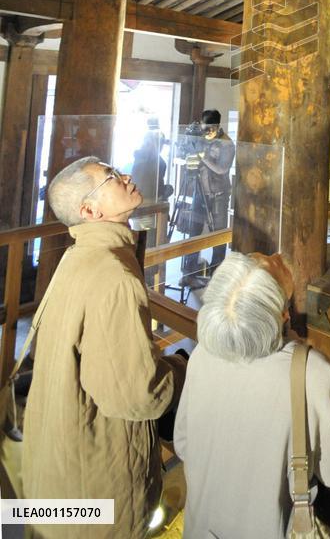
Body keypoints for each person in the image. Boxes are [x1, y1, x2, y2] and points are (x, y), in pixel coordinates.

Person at [22, 157, 187, 538]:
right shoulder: (114, 275)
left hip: (57, 471)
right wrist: (180, 370)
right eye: (111, 177)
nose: (125, 176)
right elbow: (135, 394)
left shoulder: (76, 257)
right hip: (98, 488)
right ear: (89, 210)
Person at [174, 252, 330, 539]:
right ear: (283, 314)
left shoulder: (202, 354)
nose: (276, 254)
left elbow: (184, 444)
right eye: (270, 263)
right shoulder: (310, 372)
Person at [181, 109, 235, 282]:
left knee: (217, 235)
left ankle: (216, 275)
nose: (206, 132)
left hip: (218, 194)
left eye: (209, 128)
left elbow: (222, 169)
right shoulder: (202, 138)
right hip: (200, 191)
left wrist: (202, 155)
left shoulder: (227, 144)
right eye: (204, 128)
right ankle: (189, 271)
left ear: (217, 126)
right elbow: (193, 158)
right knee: (194, 231)